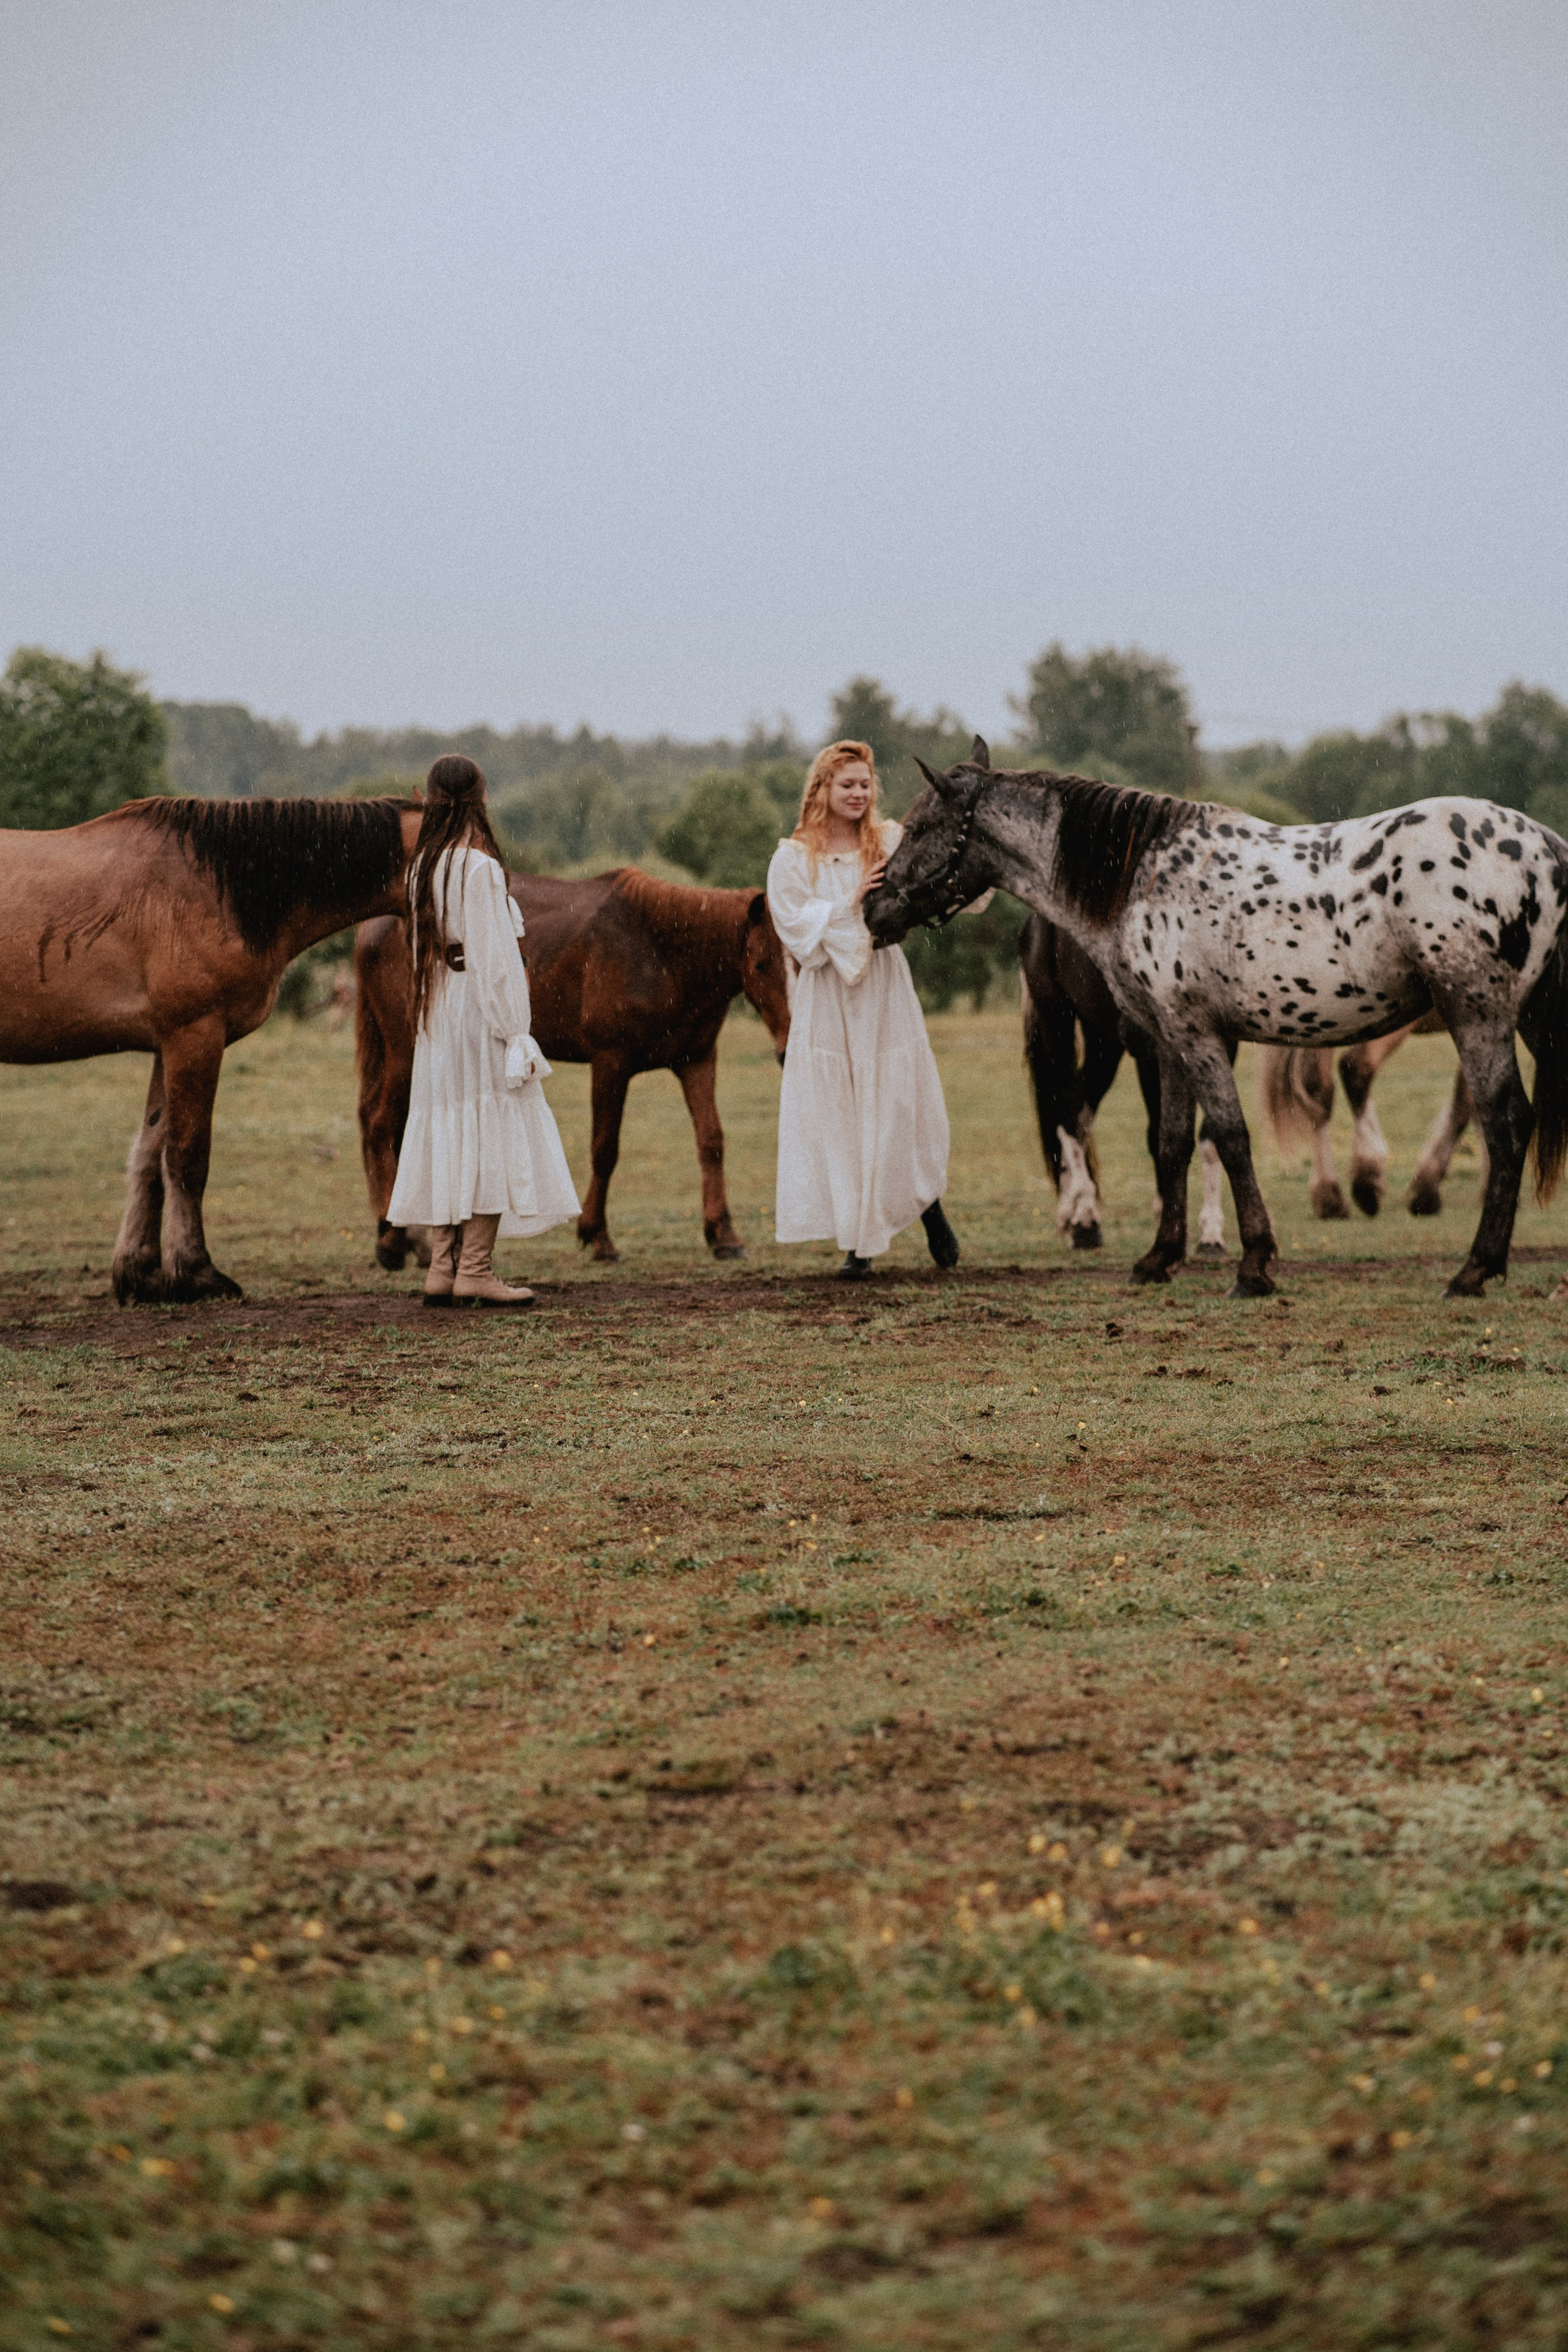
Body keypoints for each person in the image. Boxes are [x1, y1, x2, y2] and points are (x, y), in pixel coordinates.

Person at [386, 755, 579, 1307]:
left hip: (440, 1009)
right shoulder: (480, 869)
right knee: (489, 1129)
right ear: (480, 799)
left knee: (450, 1127)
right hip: (478, 1009)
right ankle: (475, 1269)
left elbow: (422, 952)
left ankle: (442, 1267)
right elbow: (496, 960)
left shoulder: (420, 868)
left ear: (429, 801)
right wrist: (516, 1029)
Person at [766, 739, 962, 1280]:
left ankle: (928, 1205)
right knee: (844, 1113)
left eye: (865, 784)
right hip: (829, 995)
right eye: (847, 784)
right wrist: (850, 902)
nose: (858, 793)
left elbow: (935, 878)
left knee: (896, 1102)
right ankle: (859, 1242)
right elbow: (795, 929)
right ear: (823, 789)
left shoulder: (890, 841)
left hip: (883, 986)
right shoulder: (793, 857)